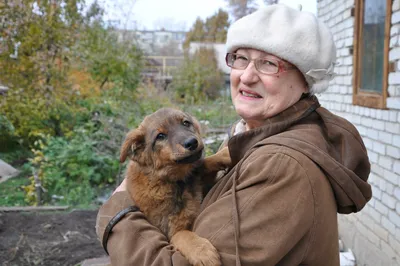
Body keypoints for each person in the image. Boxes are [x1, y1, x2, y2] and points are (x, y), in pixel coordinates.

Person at [96, 4, 372, 266]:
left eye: (268, 63)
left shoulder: (281, 166)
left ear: (304, 80)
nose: (247, 76)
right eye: (240, 58)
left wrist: (119, 211)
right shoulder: (253, 140)